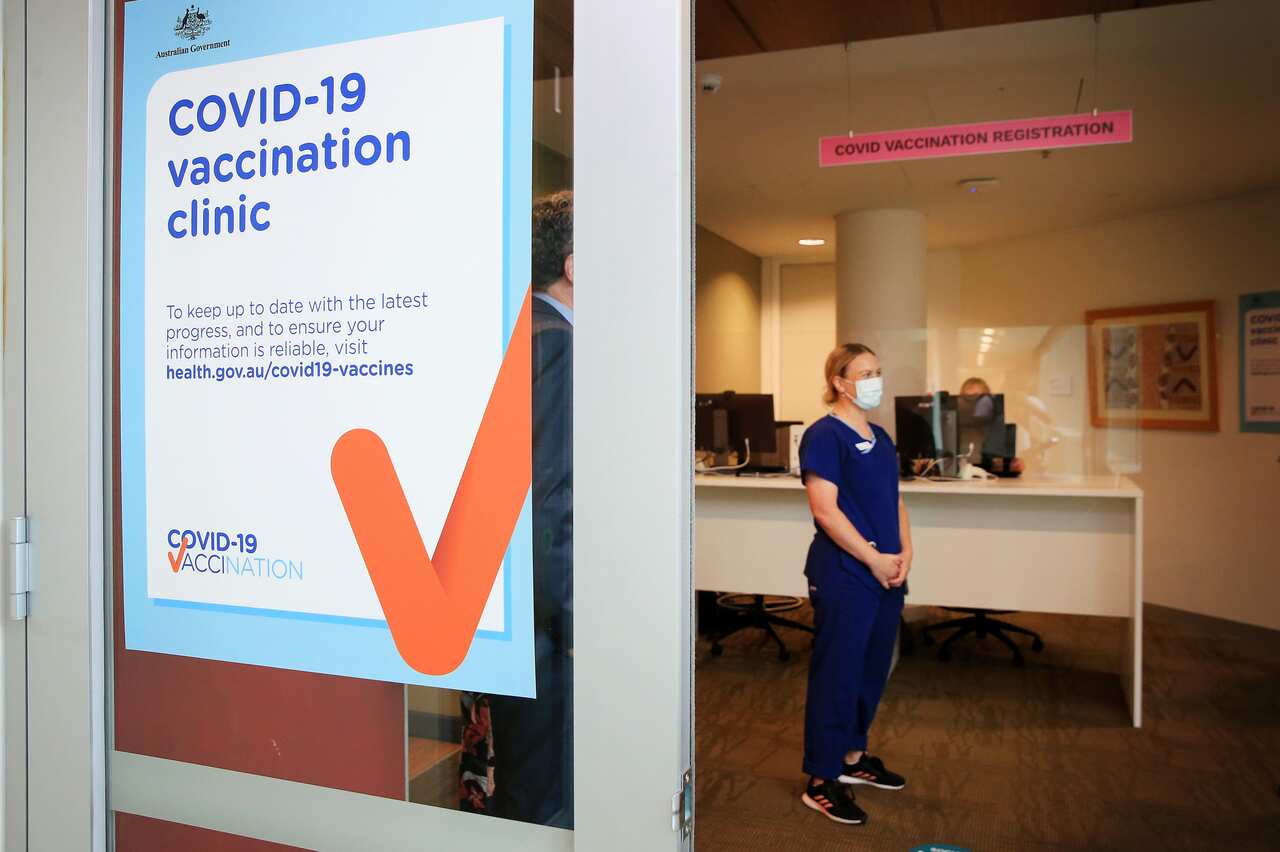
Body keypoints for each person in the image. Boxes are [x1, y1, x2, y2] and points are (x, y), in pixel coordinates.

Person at [475, 190, 575, 827]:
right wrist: (574, 617)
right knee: (543, 797)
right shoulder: (557, 342)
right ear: (575, 263)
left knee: (525, 782)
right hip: (541, 616)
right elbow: (548, 495)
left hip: (510, 601)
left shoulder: (519, 331)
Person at [798, 343, 913, 826]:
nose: (875, 380)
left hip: (886, 573)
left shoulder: (881, 435)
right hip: (846, 574)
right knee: (838, 674)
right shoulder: (824, 436)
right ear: (840, 383)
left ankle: (850, 760)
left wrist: (905, 552)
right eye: (865, 373)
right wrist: (872, 559)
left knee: (871, 671)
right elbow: (825, 511)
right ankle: (821, 781)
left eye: (878, 371)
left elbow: (895, 500)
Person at [958, 376, 1024, 474]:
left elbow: (1012, 465)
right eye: (968, 399)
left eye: (978, 398)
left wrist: (1013, 466)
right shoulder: (952, 430)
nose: (974, 404)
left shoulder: (1003, 430)